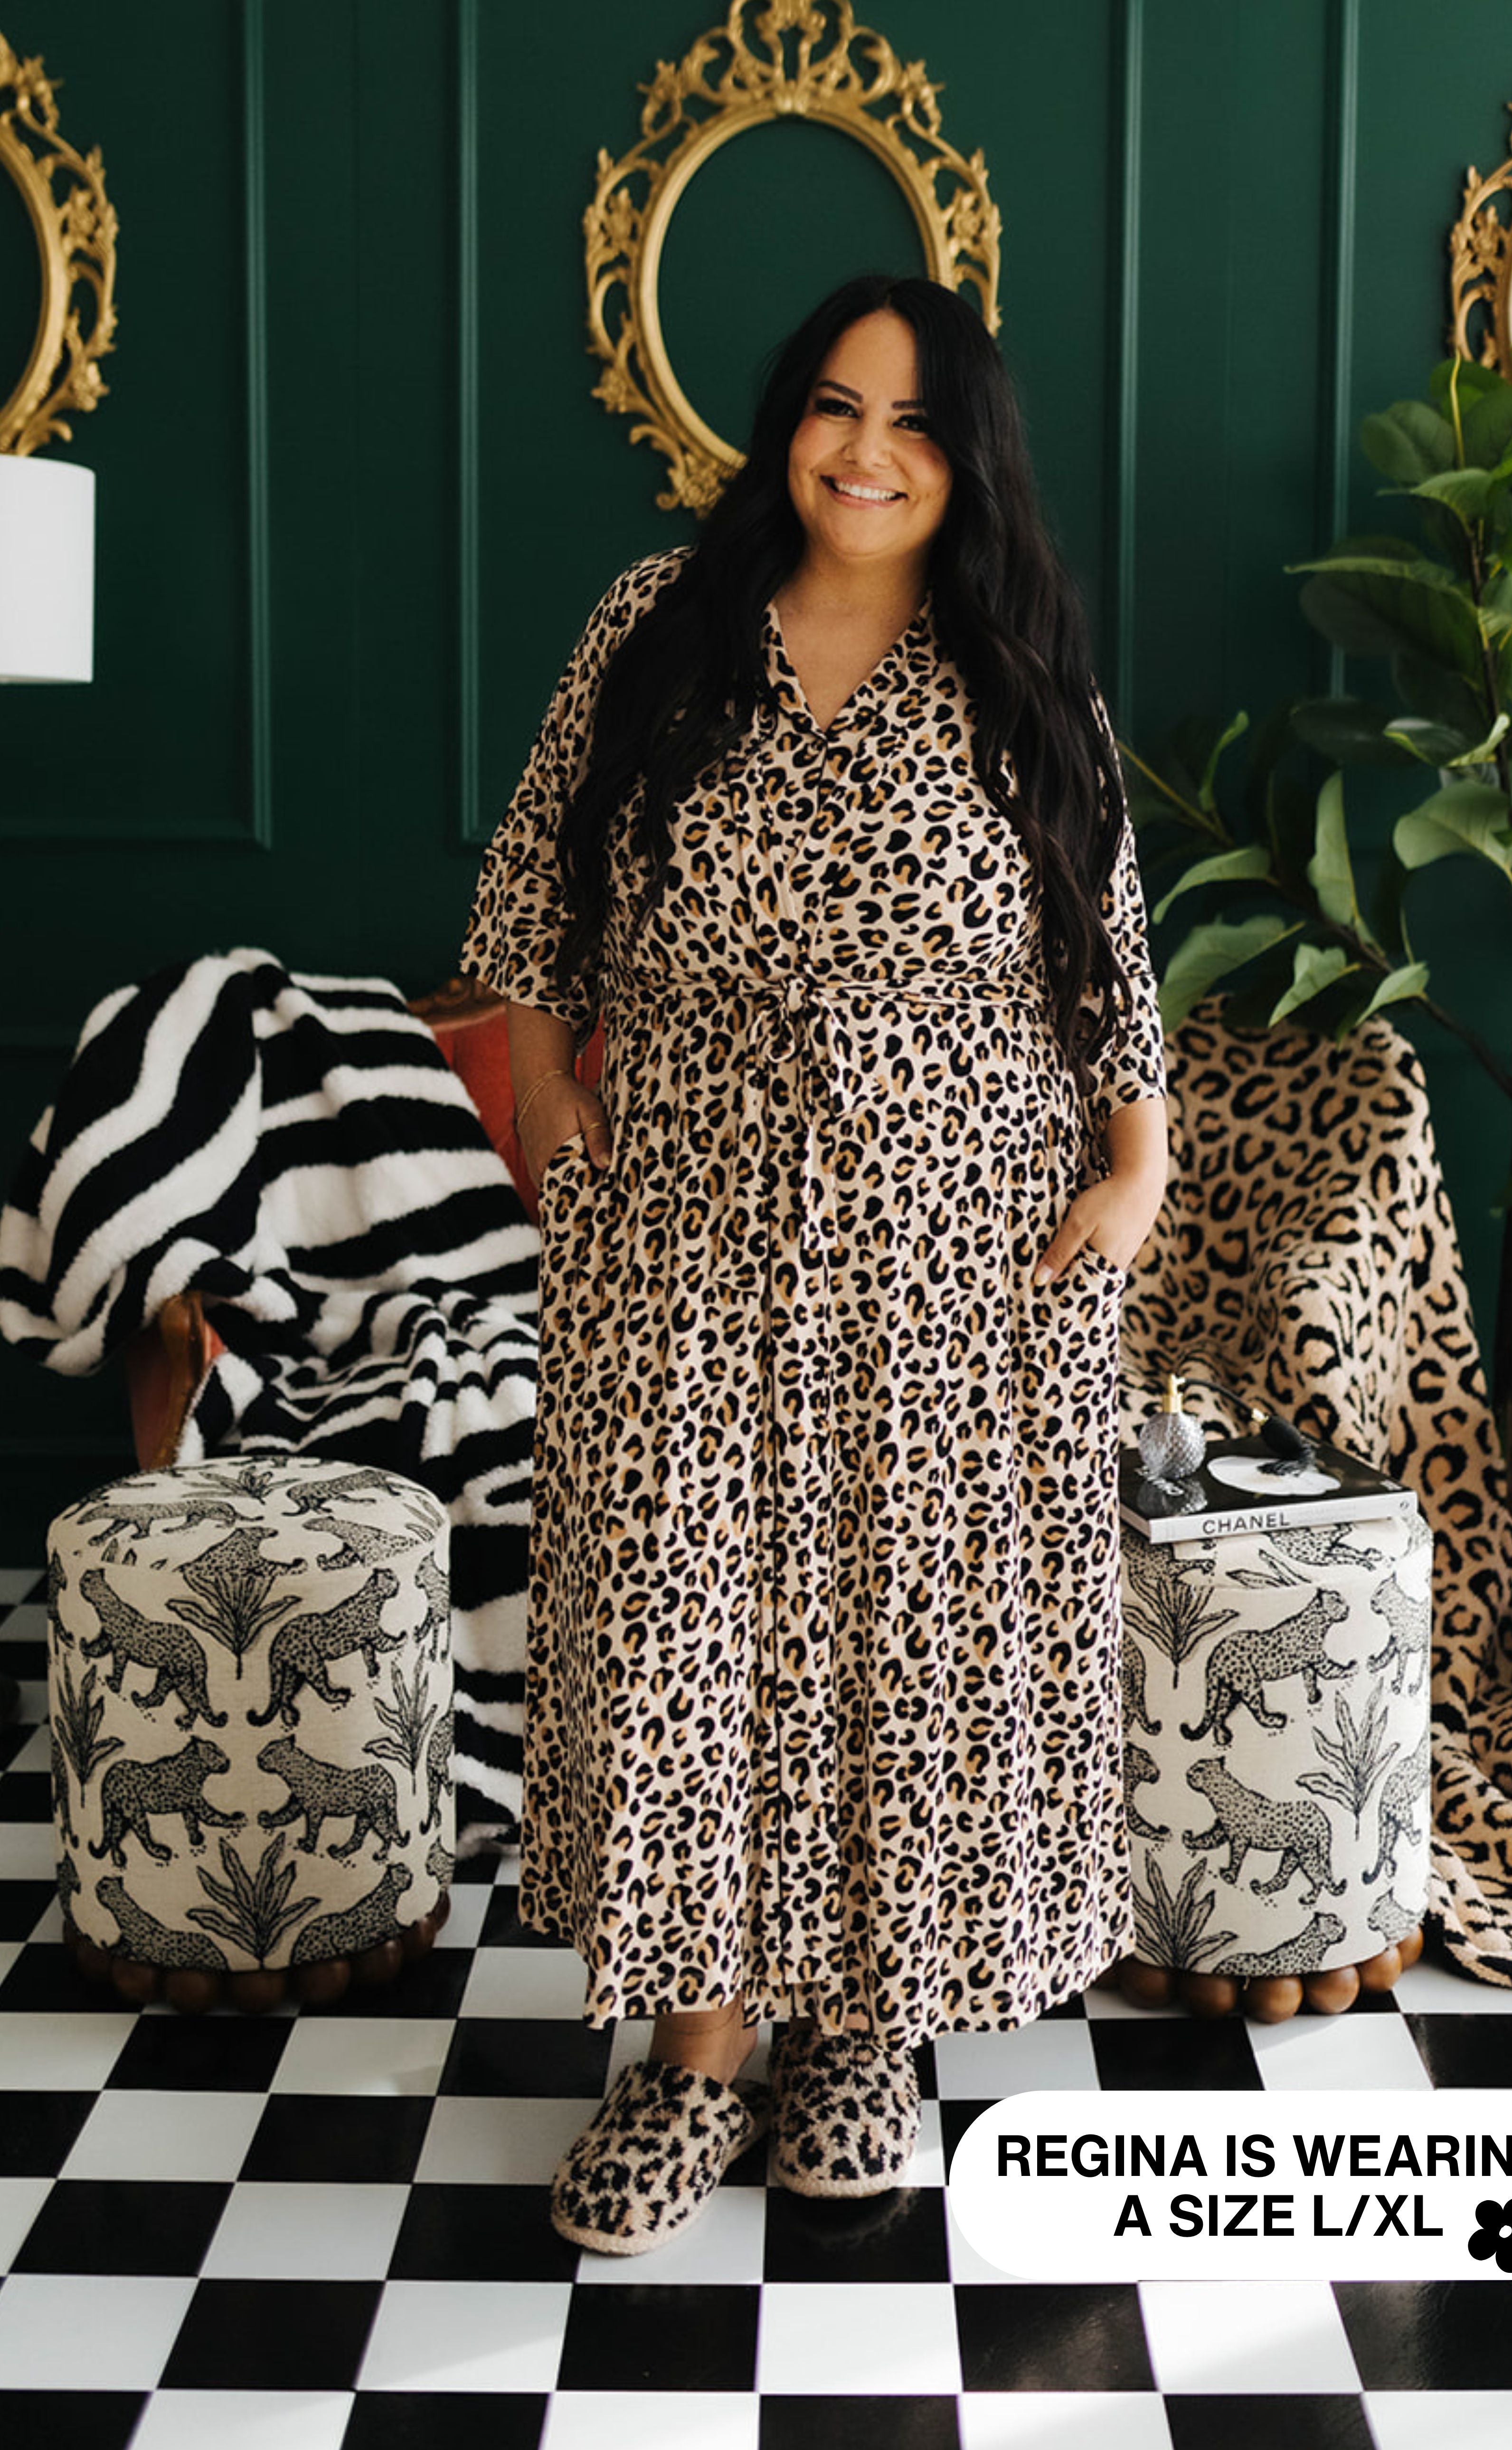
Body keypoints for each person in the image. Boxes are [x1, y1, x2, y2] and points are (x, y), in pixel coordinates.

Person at [462, 272, 1168, 2254]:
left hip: (957, 1244)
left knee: (894, 1643)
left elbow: (1098, 939)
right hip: (682, 1212)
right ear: (784, 427)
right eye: (837, 411)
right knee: (683, 1637)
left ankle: (863, 2031)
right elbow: (535, 893)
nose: (867, 453)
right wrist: (548, 1099)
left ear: (969, 466)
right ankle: (691, 2058)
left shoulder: (1013, 663)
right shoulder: (654, 632)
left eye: (917, 426)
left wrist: (1134, 1167)